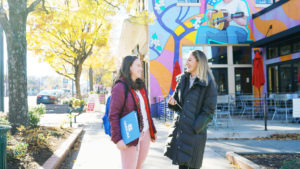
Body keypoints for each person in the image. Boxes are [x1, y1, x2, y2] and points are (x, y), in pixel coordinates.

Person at [164, 50, 217, 169]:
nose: (186, 63)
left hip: (195, 134)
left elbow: (209, 111)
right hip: (181, 132)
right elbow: (177, 102)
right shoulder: (182, 79)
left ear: (199, 62)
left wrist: (195, 127)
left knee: (193, 165)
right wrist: (172, 103)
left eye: (189, 60)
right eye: (186, 60)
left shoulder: (209, 83)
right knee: (182, 166)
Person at [109, 55, 157, 169]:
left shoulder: (141, 86)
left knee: (139, 166)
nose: (141, 68)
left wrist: (152, 130)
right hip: (129, 135)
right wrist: (117, 139)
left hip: (145, 133)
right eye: (138, 65)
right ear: (129, 67)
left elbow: (146, 110)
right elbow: (113, 114)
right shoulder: (120, 87)